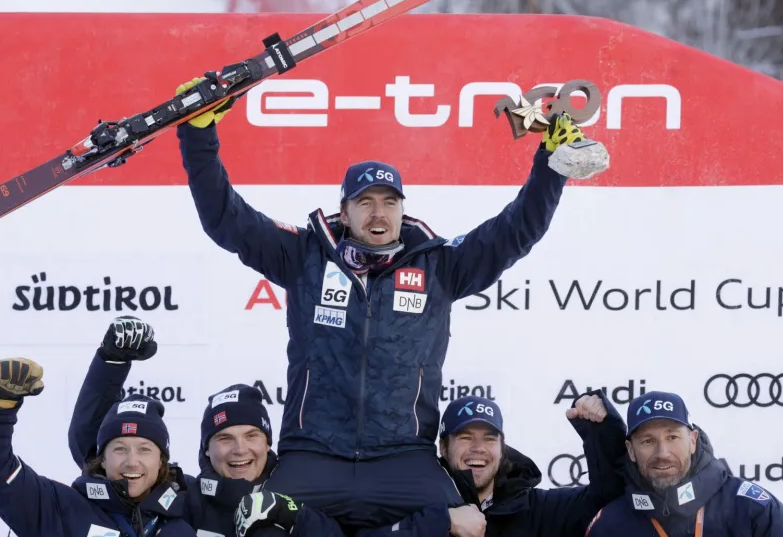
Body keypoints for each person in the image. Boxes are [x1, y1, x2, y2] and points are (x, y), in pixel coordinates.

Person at [173, 73, 606, 532]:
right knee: (258, 522)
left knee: (469, 527)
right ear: (345, 212)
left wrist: (551, 163)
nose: (378, 212)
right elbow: (225, 218)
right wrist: (198, 134)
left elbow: (517, 231)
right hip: (314, 454)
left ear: (402, 209)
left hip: (403, 458)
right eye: (365, 202)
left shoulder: (440, 265)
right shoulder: (303, 256)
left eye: (389, 202)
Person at [239, 391, 628, 537]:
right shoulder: (407, 500)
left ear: (502, 448)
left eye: (489, 439)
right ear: (442, 447)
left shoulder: (534, 508)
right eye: (465, 438)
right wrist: (439, 521)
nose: (478, 449)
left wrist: (602, 433)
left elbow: (606, 499)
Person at [67, 316, 285, 536]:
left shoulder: (298, 489)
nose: (239, 449)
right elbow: (98, 451)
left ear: (267, 442)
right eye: (225, 438)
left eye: (251, 436)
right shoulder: (184, 497)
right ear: (206, 449)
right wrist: (110, 364)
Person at [0, 357, 196, 537]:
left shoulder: (190, 511)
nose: (132, 461)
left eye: (145, 449)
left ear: (161, 460)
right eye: (119, 449)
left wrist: (111, 359)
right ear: (102, 458)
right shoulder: (61, 509)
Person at [584, 391, 783, 537]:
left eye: (672, 437)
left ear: (692, 441)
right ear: (631, 450)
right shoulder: (611, 524)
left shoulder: (750, 508)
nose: (662, 453)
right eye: (648, 441)